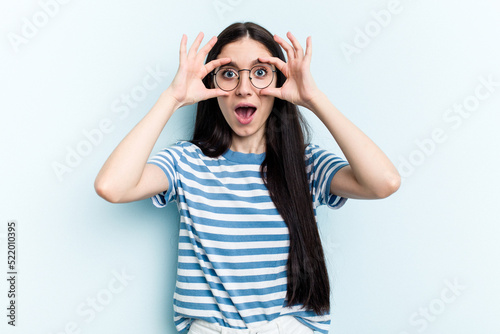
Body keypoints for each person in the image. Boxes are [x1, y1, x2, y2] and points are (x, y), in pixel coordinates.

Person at [94, 21, 400, 334]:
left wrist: (313, 99)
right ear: (212, 85)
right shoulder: (186, 162)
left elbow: (383, 182)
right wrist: (172, 97)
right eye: (228, 73)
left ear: (278, 82)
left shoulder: (306, 164)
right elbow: (112, 186)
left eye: (259, 72)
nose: (243, 88)